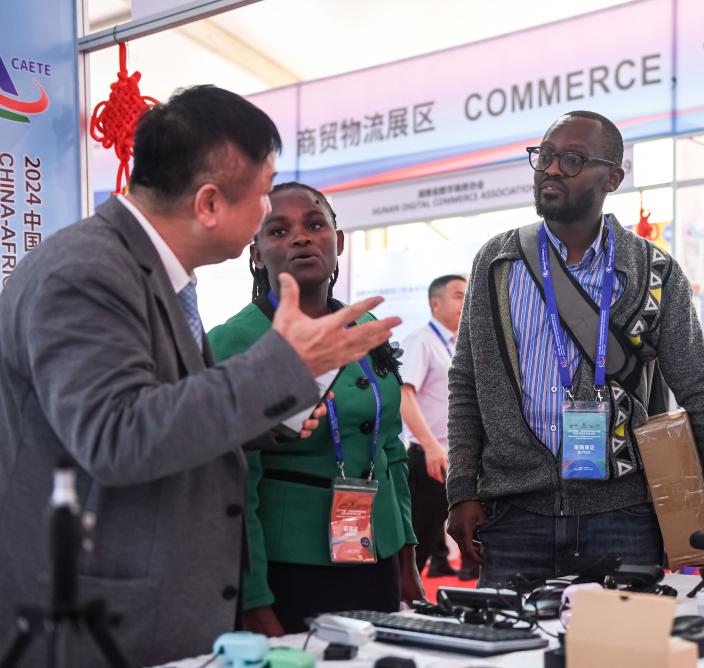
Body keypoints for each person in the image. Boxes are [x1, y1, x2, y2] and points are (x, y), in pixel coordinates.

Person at [0, 86, 398, 668]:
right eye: (263, 196)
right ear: (209, 203)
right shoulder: (86, 271)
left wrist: (278, 410)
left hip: (154, 602)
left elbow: (171, 409)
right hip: (99, 617)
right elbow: (117, 436)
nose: (268, 214)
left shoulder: (156, 273)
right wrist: (285, 365)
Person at [446, 110, 704, 587]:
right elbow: (466, 380)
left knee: (623, 635)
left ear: (612, 179)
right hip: (515, 515)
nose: (551, 169)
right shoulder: (498, 262)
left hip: (623, 516)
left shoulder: (653, 271)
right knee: (509, 638)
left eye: (572, 160)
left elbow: (700, 389)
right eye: (545, 156)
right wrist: (462, 489)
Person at [208, 183, 423, 636]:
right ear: (256, 253)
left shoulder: (364, 327)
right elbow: (231, 487)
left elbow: (391, 448)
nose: (301, 238)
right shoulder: (234, 342)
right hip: (288, 567)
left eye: (314, 224)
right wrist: (253, 599)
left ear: (338, 241)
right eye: (279, 231)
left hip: (377, 554)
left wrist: (406, 554)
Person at [399, 275, 477, 580]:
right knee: (417, 543)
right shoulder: (421, 340)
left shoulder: (460, 344)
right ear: (435, 303)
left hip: (456, 458)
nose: (465, 301)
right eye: (458, 295)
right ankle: (400, 601)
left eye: (467, 295)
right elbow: (404, 395)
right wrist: (431, 446)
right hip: (430, 458)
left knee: (448, 534)